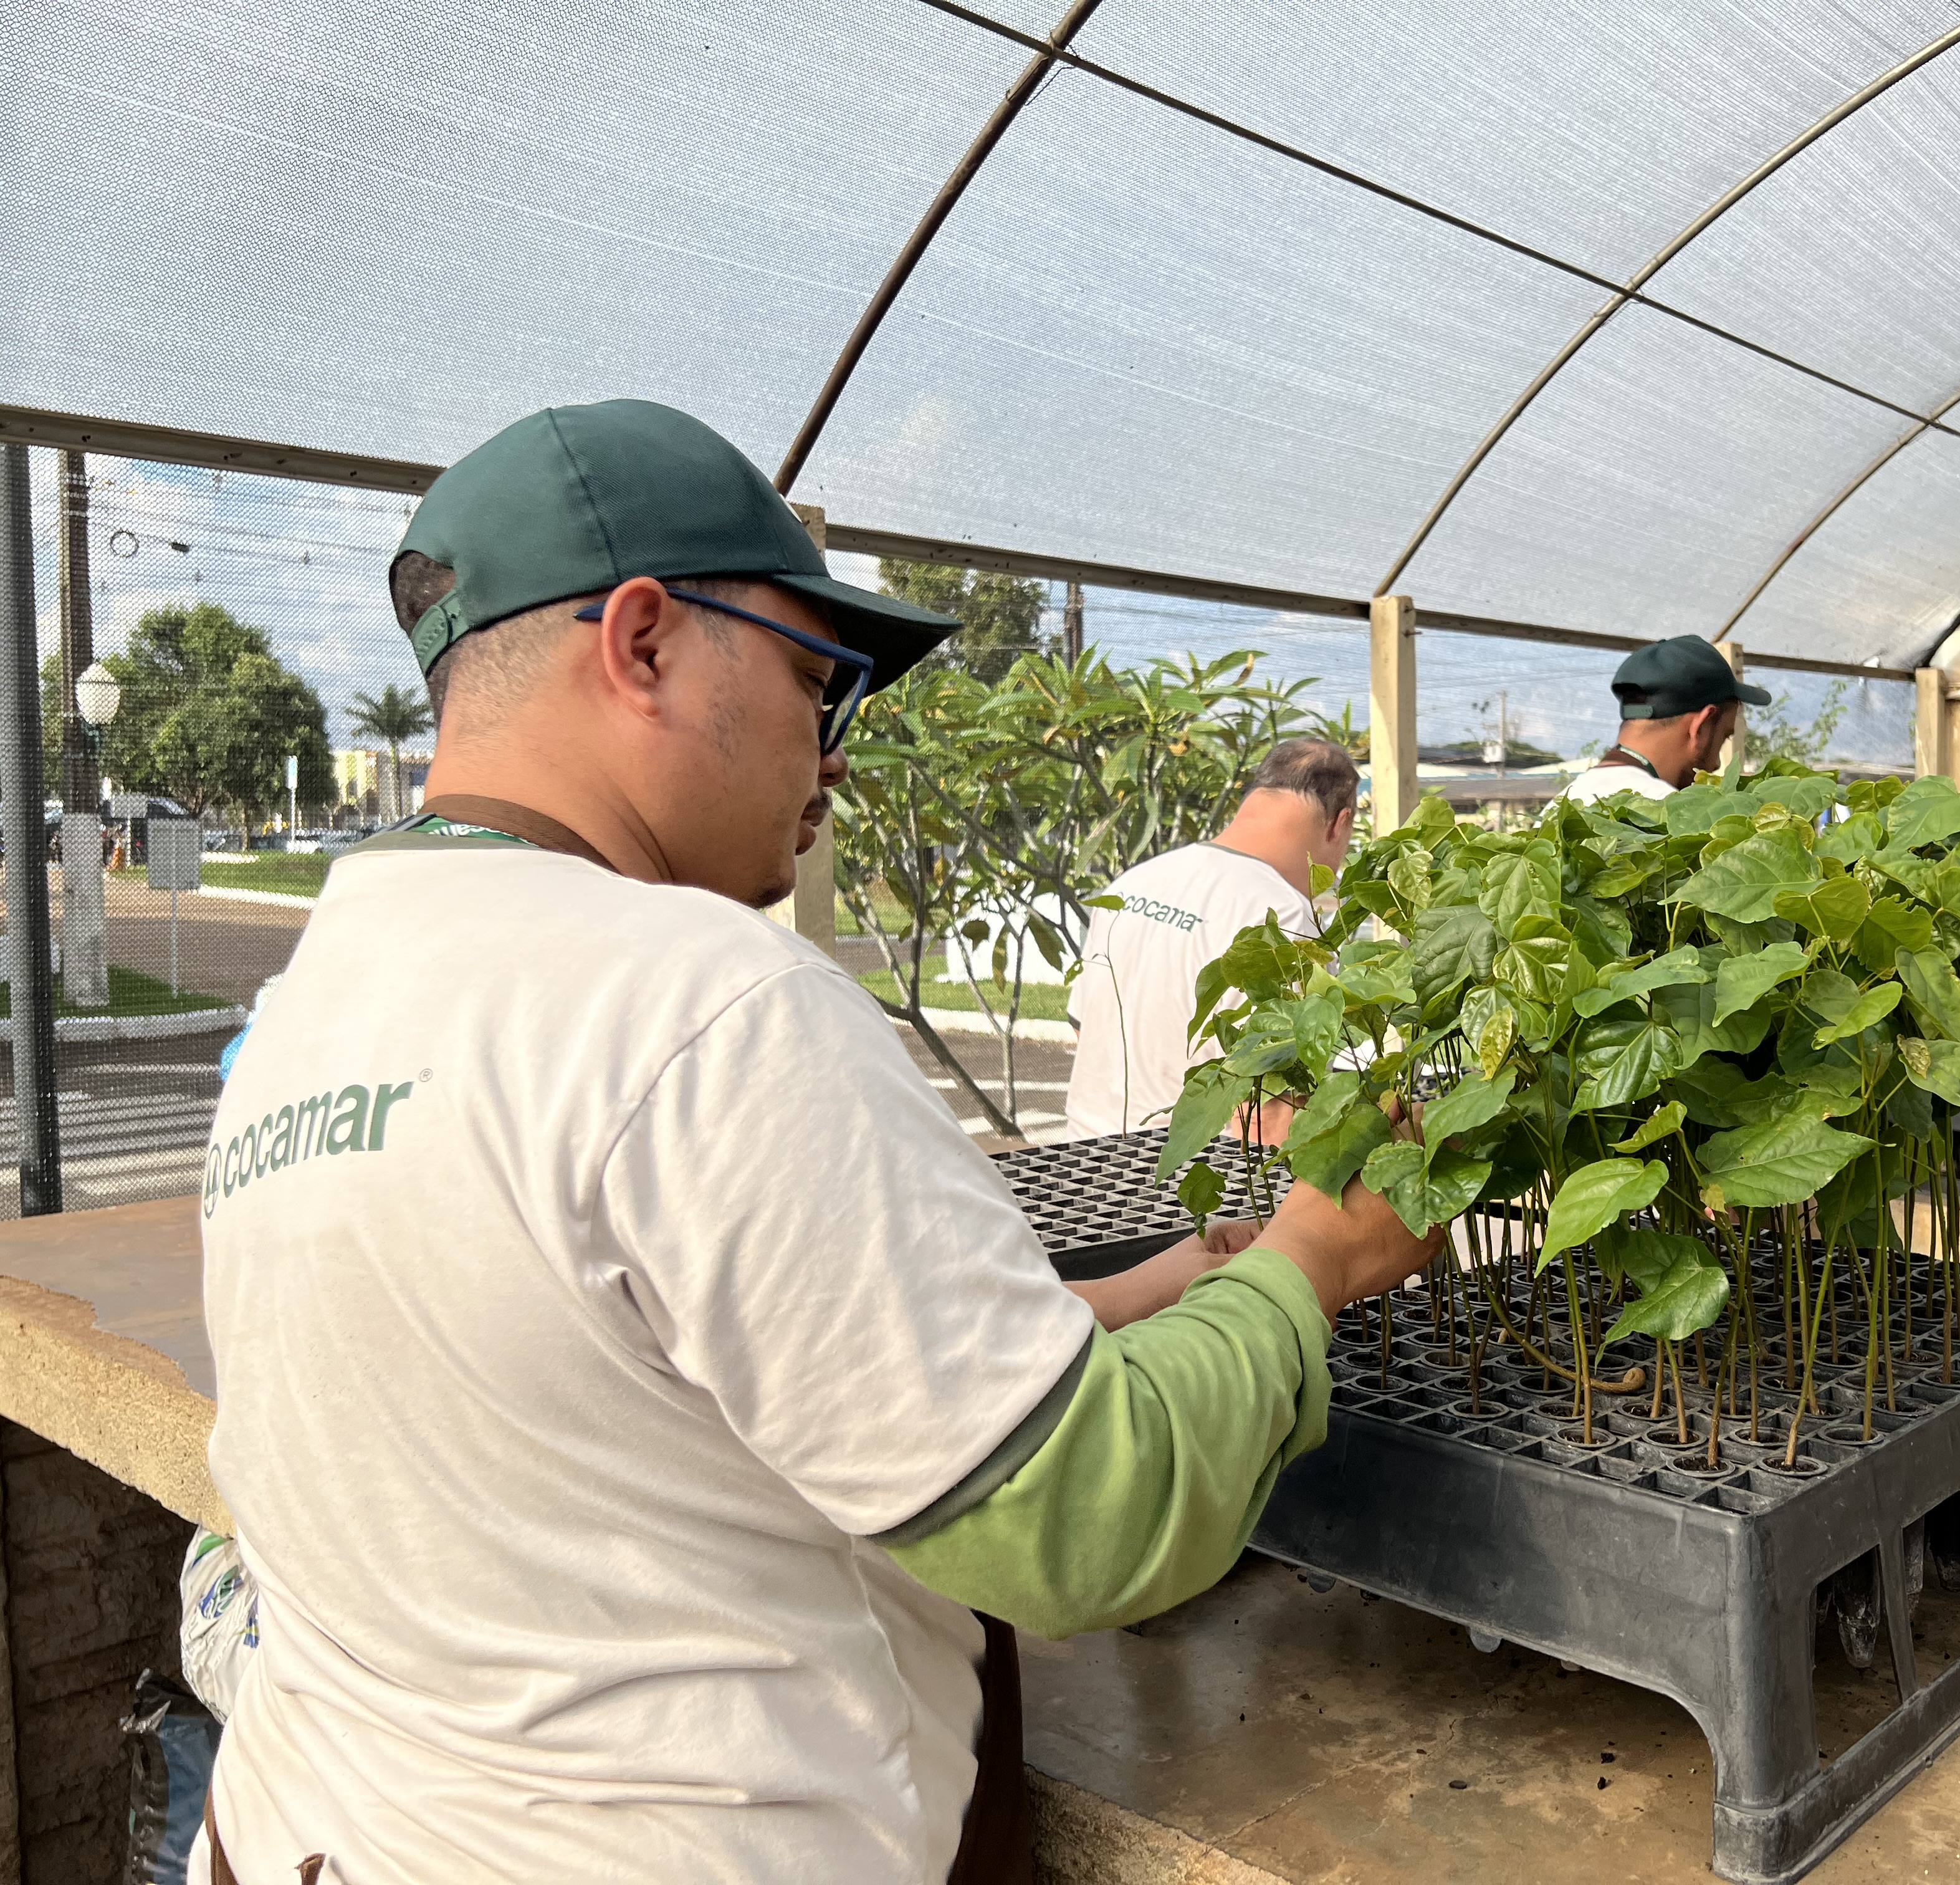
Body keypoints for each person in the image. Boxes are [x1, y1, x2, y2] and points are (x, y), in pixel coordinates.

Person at [192, 400, 1439, 1884]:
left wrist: (1133, 1294)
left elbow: (649, 1368)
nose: (832, 757)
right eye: (816, 680)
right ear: (643, 643)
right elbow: (1083, 1518)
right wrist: (1308, 1264)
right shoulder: (700, 1002)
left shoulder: (318, 998)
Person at [1063, 737, 1359, 1139]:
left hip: (1085, 1151)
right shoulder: (1284, 915)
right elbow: (1274, 1107)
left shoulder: (1137, 881)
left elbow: (1083, 1025)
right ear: (1339, 824)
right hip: (1194, 1173)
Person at [1559, 633, 1770, 805]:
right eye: (1724, 737)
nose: (1715, 765)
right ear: (1701, 727)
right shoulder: (1667, 814)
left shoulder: (1560, 808)